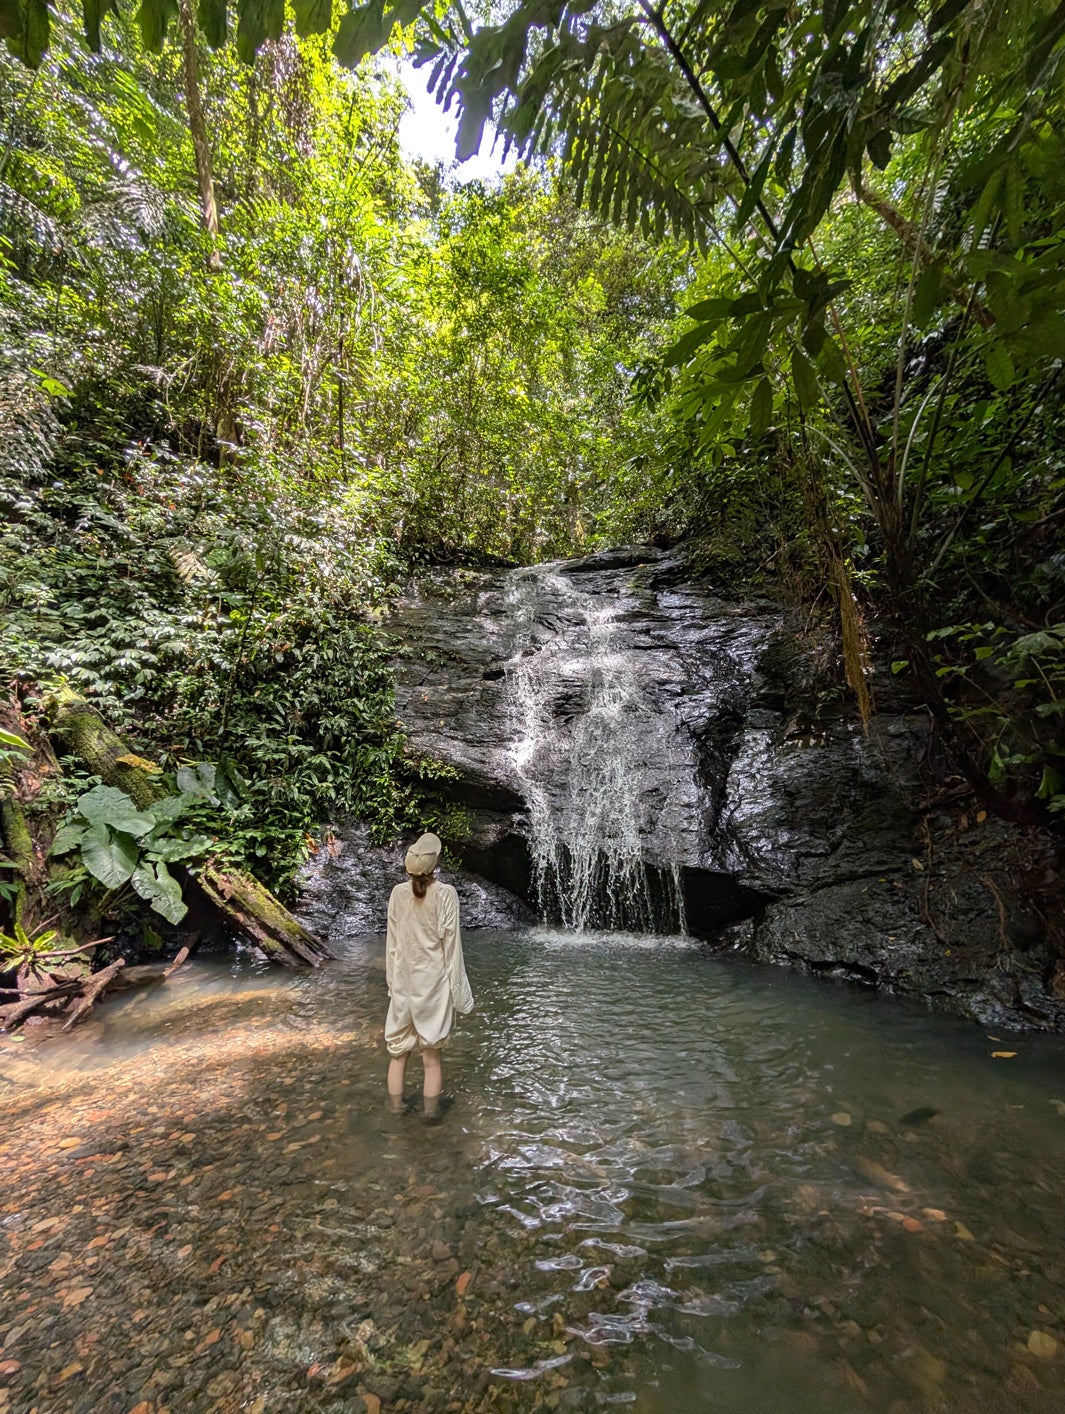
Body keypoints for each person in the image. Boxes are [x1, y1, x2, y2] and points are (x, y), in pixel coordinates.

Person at [385, 832, 473, 1120]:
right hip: (433, 985)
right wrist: (459, 994)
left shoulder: (397, 893)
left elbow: (392, 945)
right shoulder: (445, 894)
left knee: (398, 1054)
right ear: (434, 864)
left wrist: (392, 984)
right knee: (431, 1058)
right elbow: (452, 948)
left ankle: (396, 1111)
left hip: (403, 982)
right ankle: (430, 1116)